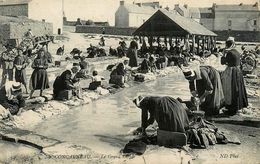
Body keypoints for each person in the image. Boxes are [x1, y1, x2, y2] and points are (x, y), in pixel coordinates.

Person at [220, 37, 248, 115]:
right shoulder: (237, 51)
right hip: (238, 71)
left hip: (232, 72)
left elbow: (222, 62)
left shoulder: (229, 53)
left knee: (230, 89)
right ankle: (237, 106)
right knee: (238, 88)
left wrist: (223, 54)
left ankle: (231, 108)